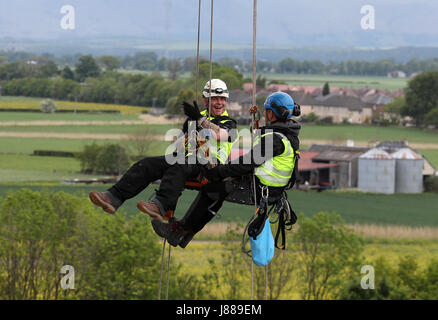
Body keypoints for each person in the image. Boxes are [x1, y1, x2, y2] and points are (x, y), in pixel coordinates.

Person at [151, 91, 301, 248]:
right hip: (267, 187)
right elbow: (259, 144)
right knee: (217, 190)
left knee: (211, 190)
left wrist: (219, 171)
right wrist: (255, 120)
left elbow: (248, 162)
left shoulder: (275, 140)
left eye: (267, 111)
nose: (265, 114)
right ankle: (185, 233)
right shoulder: (286, 133)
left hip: (261, 190)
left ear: (273, 114)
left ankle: (180, 231)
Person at [89, 79, 237, 220]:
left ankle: (160, 206)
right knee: (147, 164)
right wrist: (189, 130)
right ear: (206, 101)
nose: (220, 103)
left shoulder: (229, 123)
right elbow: (179, 143)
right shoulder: (197, 117)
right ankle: (113, 197)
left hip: (211, 168)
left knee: (180, 164)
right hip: (188, 160)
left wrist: (200, 121)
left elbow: (219, 135)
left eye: (223, 99)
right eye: (215, 99)